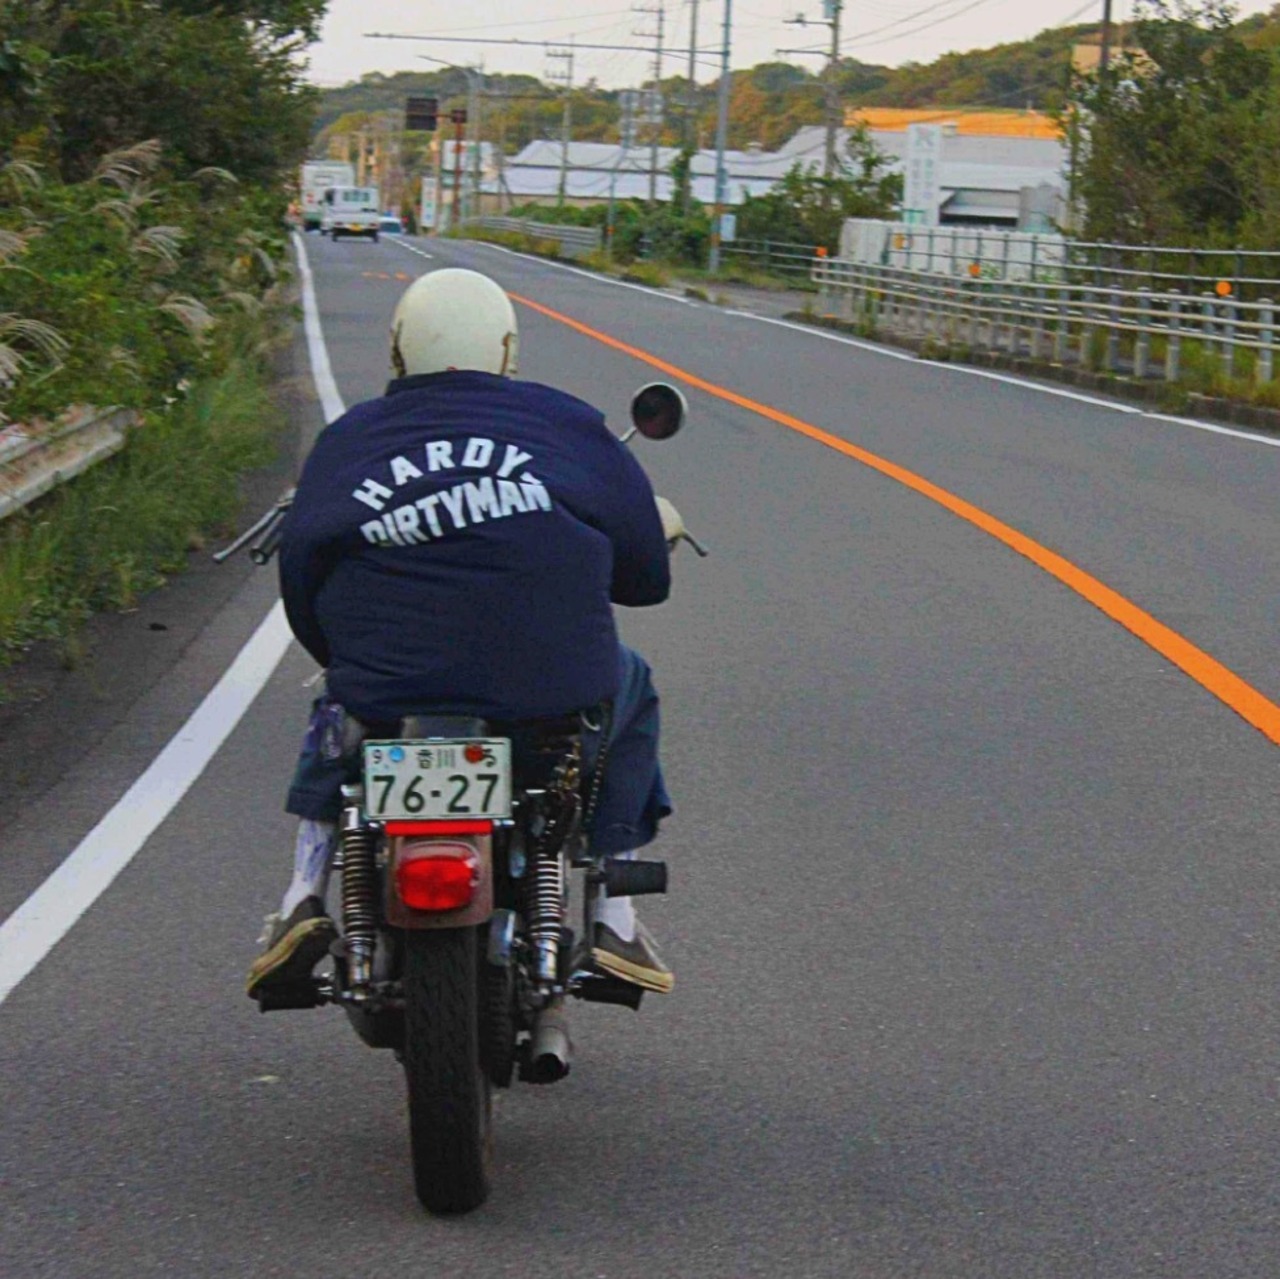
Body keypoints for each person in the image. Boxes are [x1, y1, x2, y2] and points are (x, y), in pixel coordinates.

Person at [247, 267, 676, 1002]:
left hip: (388, 691)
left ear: (397, 350)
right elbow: (645, 579)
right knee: (629, 677)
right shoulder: (569, 425)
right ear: (507, 350)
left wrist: (346, 662)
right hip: (546, 694)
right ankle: (614, 913)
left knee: (335, 704)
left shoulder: (350, 439)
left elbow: (303, 584)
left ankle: (301, 895)